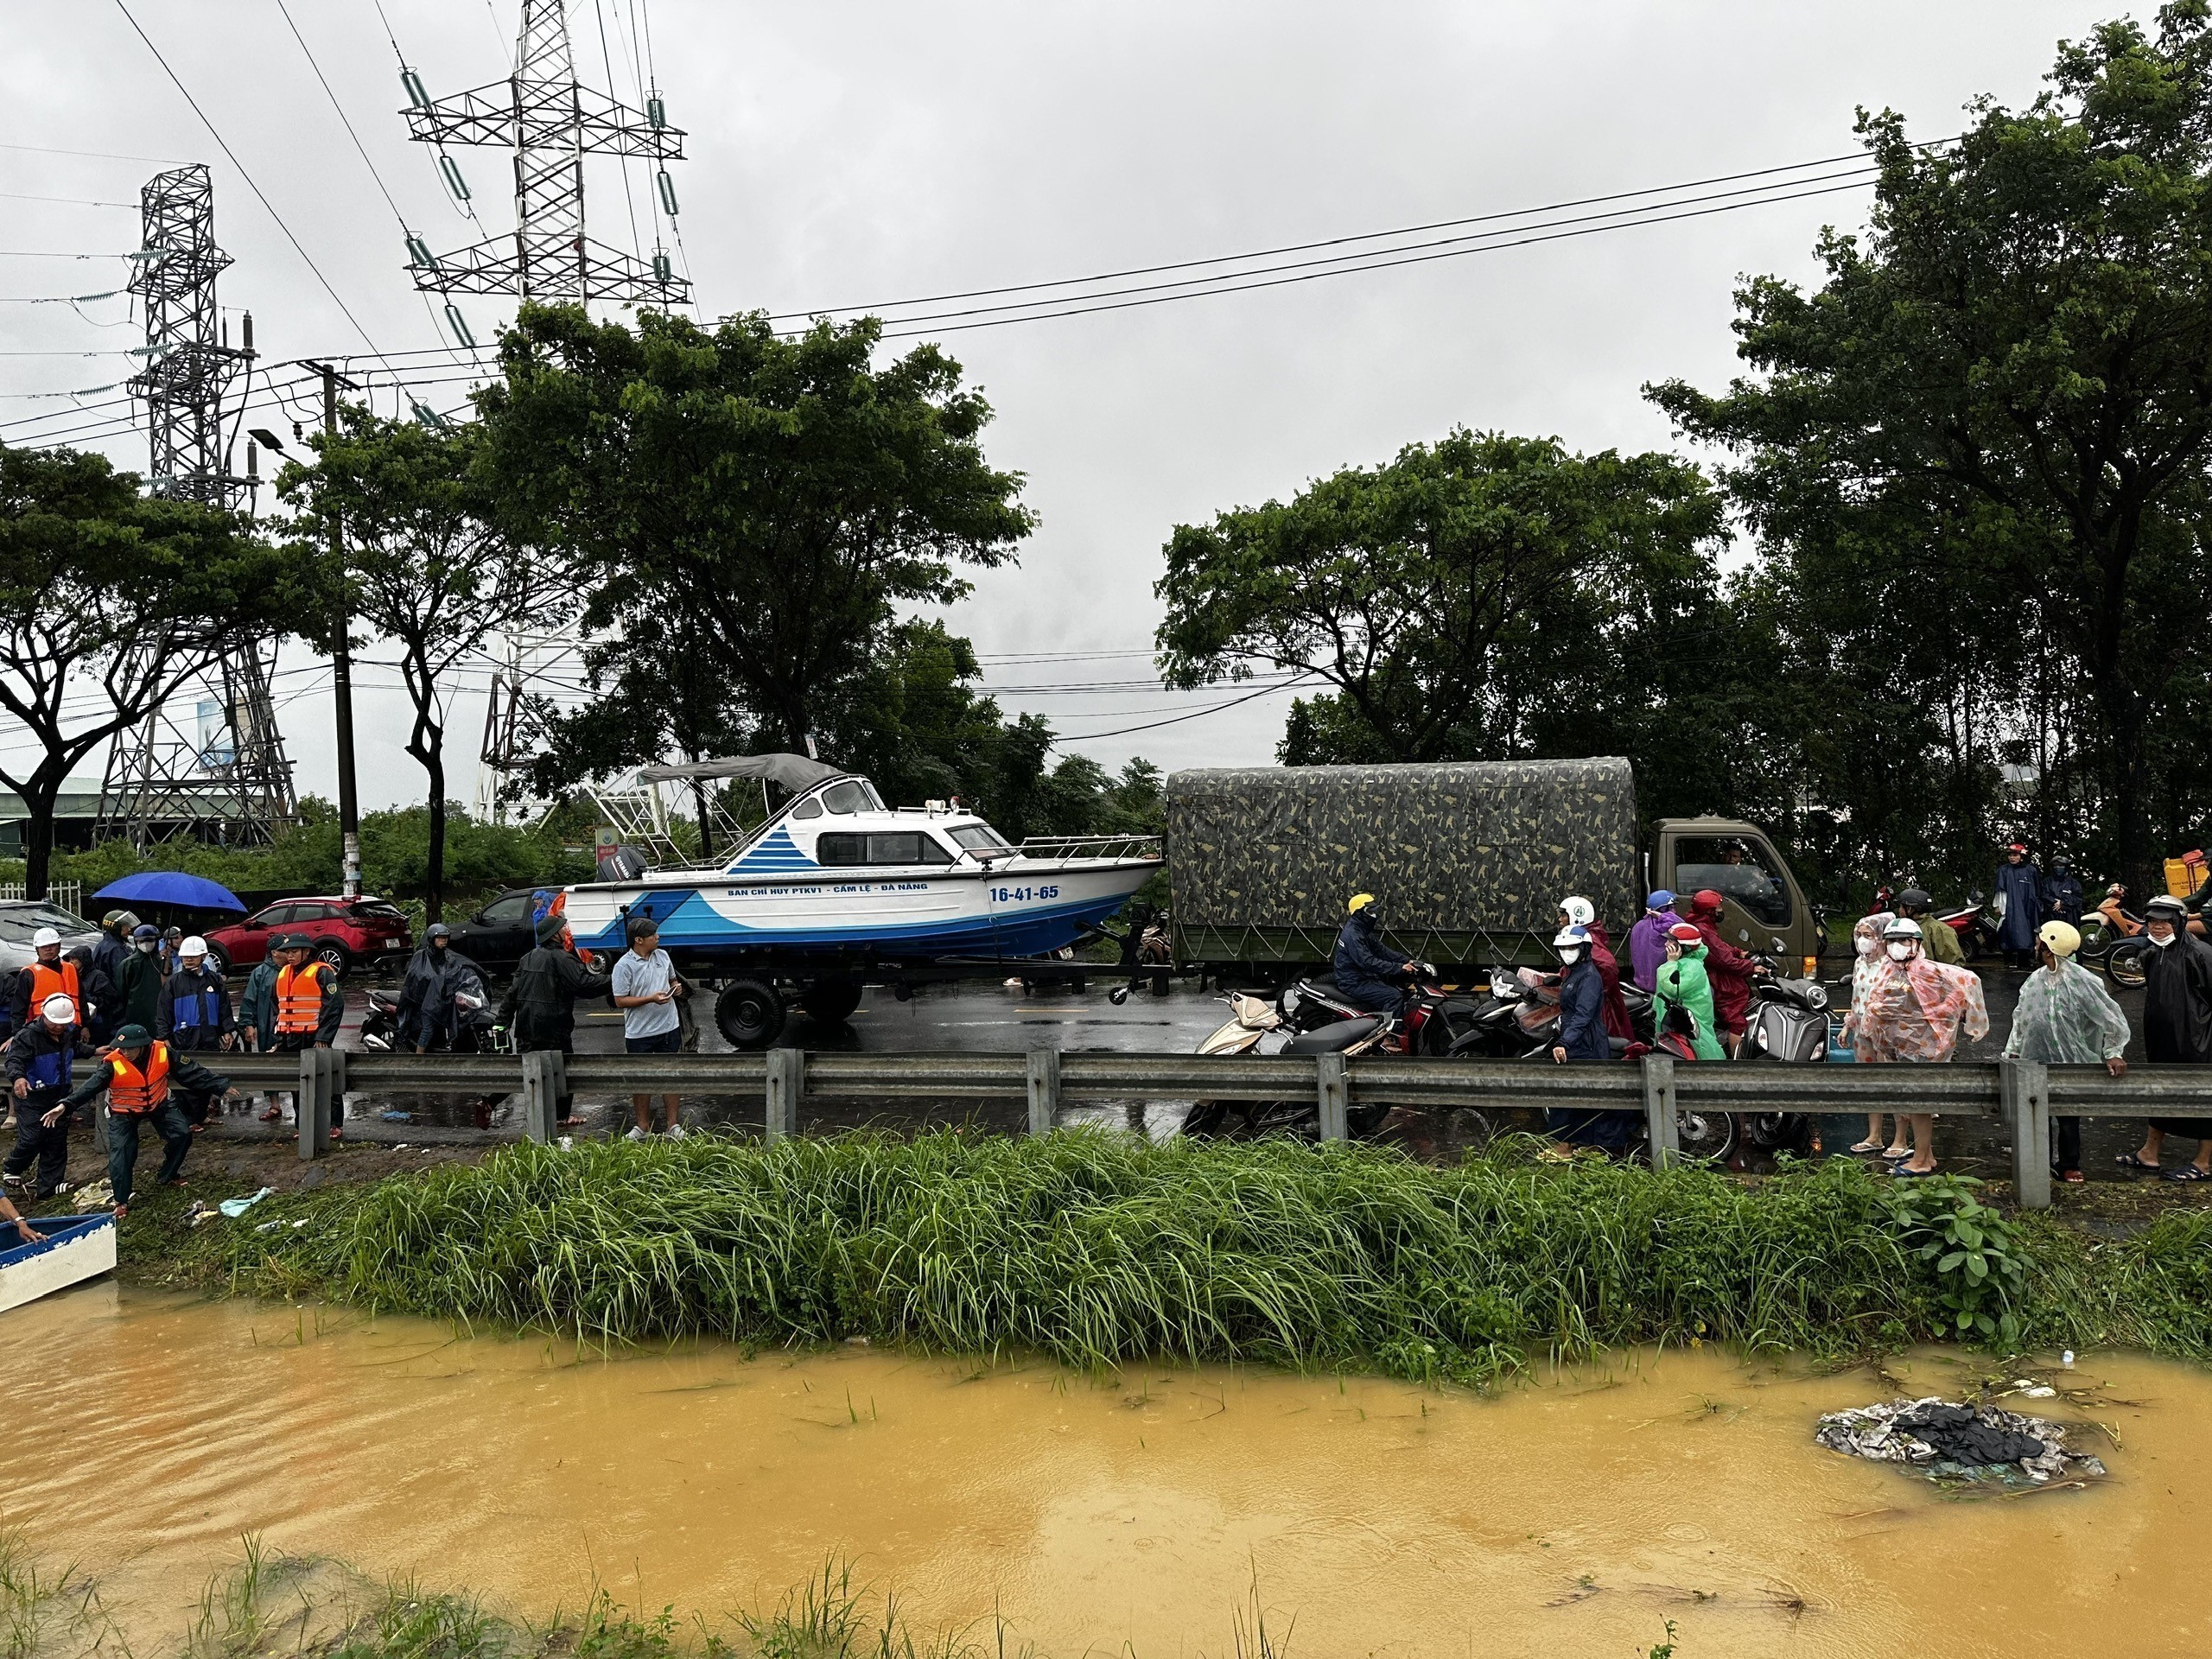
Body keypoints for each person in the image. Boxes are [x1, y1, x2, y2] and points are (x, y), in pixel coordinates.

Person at [1850, 918, 1990, 1176]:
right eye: (1892, 941)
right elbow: (1880, 1003)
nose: (1897, 947)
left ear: (1916, 944)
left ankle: (1921, 1161)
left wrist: (1945, 1014)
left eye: (1903, 941)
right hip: (1901, 1049)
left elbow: (1966, 983)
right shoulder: (1890, 971)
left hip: (1925, 1051)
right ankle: (1928, 1155)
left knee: (1919, 1105)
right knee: (1914, 1105)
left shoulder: (1929, 971)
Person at [58, 1023, 235, 1217]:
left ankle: (167, 1174)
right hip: (123, 1111)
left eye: (130, 1048)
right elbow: (88, 1088)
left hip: (159, 1103)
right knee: (121, 1154)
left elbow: (192, 1071)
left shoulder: (162, 1052)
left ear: (143, 1046)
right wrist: (66, 1105)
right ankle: (121, 1200)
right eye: (121, 1048)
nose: (125, 1052)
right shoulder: (111, 1064)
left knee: (182, 1134)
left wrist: (220, 1086)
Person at [2002, 920, 2127, 1185]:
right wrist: (2013, 1051)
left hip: (2072, 1061)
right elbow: (2021, 1019)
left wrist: (2113, 1051)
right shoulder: (2034, 981)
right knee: (2037, 1113)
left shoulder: (2084, 981)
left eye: (2040, 941)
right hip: (2035, 1059)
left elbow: (2110, 1017)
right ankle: (2041, 1164)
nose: (2036, 945)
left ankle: (2070, 1165)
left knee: (2069, 1115)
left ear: (2049, 949)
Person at [2119, 894, 2212, 1184]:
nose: (2158, 927)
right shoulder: (2150, 953)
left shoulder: (2201, 954)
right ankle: (2150, 1152)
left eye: (2165, 922)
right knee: (2158, 1092)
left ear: (2180, 922)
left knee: (2201, 1098)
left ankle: (2204, 1162)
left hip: (2198, 1041)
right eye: (2153, 921)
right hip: (2161, 1039)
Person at [500, 915, 614, 1129]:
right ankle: (561, 1117)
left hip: (526, 1027)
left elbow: (512, 993)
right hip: (554, 1028)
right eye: (564, 928)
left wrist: (502, 1021)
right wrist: (615, 978)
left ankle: (492, 1101)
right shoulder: (563, 959)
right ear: (555, 934)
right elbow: (583, 984)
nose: (568, 930)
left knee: (528, 1074)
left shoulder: (528, 958)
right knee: (563, 1073)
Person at [1542, 925, 1634, 1156]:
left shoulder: (1589, 976)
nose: (1567, 952)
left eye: (1572, 947)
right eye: (1563, 948)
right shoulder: (1574, 972)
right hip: (1576, 1037)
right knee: (1572, 1094)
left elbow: (1584, 1014)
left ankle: (1575, 1146)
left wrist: (1565, 1042)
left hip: (1586, 1041)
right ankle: (1575, 1143)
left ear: (1584, 948)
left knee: (1576, 1094)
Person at [3, 995, 92, 1201]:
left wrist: (94, 1050)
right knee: (33, 1136)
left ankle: (49, 1187)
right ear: (44, 1016)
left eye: (63, 1024)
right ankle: (13, 1166)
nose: (58, 1028)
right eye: (55, 1023)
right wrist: (18, 1078)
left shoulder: (68, 1033)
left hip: (59, 1093)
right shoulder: (28, 1036)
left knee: (56, 1140)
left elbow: (74, 1049)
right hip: (33, 1096)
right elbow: (14, 1060)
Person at [610, 917, 690, 1140]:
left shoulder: (663, 956)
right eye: (653, 935)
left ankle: (673, 1126)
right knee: (641, 1078)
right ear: (638, 940)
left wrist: (676, 988)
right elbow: (619, 1000)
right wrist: (650, 999)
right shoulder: (623, 966)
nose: (658, 937)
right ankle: (642, 1126)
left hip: (668, 1027)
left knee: (670, 1076)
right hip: (639, 1033)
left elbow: (672, 980)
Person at [1840, 912, 1910, 1159]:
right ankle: (1874, 1136)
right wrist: (1848, 1025)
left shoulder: (1894, 965)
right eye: (1858, 935)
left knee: (1893, 1083)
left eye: (1868, 936)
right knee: (1870, 1083)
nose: (1862, 941)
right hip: (1862, 1032)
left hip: (1888, 1033)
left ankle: (1900, 1139)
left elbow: (1902, 1001)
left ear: (1881, 937)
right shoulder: (1860, 962)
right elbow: (1856, 998)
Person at [260, 934, 345, 1137]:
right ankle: (303, 1125)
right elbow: (278, 1008)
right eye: (287, 952)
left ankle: (334, 1124)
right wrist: (279, 1040)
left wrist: (323, 1037)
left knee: (327, 1080)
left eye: (294, 952)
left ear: (306, 952)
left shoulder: (322, 973)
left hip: (314, 1038)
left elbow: (334, 1006)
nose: (289, 956)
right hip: (290, 1038)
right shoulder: (282, 974)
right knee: (298, 1085)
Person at [155, 936, 234, 1129]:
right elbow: (163, 1012)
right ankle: (190, 1119)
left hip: (209, 1037)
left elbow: (224, 1007)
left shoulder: (214, 980)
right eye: (185, 957)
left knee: (206, 1076)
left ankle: (200, 1116)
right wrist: (163, 1037)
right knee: (187, 1080)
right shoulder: (174, 982)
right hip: (183, 1038)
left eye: (193, 956)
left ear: (204, 956)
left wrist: (227, 1030)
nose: (189, 960)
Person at [1684, 889, 1762, 1052]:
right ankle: (1737, 1061)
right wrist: (1751, 967)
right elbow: (1725, 961)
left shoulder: (1703, 925)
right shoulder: (1703, 929)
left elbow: (1720, 948)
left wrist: (1738, 952)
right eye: (1718, 908)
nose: (1721, 911)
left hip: (1713, 974)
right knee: (1737, 1021)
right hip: (1718, 979)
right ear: (1709, 911)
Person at [396, 923, 483, 1052]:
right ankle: (418, 1056)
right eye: (440, 938)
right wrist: (435, 983)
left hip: (443, 999)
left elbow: (458, 968)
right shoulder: (421, 956)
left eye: (445, 938)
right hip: (425, 1002)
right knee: (428, 1029)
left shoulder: (448, 956)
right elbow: (416, 978)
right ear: (432, 939)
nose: (443, 941)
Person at [1651, 922, 1726, 1061]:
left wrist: (1670, 963)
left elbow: (1672, 988)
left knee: (1699, 1053)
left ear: (1684, 946)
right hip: (1675, 1022)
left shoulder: (1693, 967)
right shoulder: (1684, 962)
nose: (1666, 944)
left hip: (1689, 1025)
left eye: (1671, 941)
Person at [1560, 894, 1630, 1039]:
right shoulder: (1580, 938)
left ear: (1576, 916)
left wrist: (1590, 989)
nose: (1559, 919)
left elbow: (1608, 966)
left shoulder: (1586, 940)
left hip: (1598, 1010)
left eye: (1563, 915)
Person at [1332, 893, 1414, 1014]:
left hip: (1364, 977)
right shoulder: (1353, 935)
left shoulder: (1362, 930)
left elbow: (1381, 951)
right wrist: (1399, 968)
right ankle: (1393, 1031)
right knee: (1394, 996)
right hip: (1355, 982)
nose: (1374, 915)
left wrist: (1406, 960)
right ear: (1358, 913)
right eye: (1370, 911)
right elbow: (1367, 962)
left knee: (1401, 989)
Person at [9, 926, 82, 1027]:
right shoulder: (29, 973)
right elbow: (18, 1008)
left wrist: (85, 1026)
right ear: (37, 949)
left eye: (52, 945)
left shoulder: (71, 969)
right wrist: (18, 1034)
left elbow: (81, 999)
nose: (48, 949)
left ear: (59, 946)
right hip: (42, 1031)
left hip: (72, 1028)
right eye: (43, 946)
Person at [1626, 890, 1688, 992]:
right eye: (1672, 908)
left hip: (1641, 984)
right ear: (1663, 909)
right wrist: (1662, 916)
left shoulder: (1639, 926)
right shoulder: (1665, 927)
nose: (1675, 912)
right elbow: (1683, 926)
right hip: (1663, 985)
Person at [1994, 842, 2043, 969]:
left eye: (2015, 855)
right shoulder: (2003, 870)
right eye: (2010, 855)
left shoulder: (2030, 870)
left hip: (2027, 907)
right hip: (2010, 907)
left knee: (2026, 933)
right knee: (2008, 932)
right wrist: (1998, 906)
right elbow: (2000, 890)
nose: (2012, 858)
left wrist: (2036, 905)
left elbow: (2037, 890)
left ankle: (2024, 961)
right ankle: (2009, 960)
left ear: (2021, 856)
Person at [1893, 889, 1966, 967]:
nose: (1899, 910)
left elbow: (1955, 966)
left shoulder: (1940, 930)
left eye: (1901, 906)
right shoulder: (1901, 927)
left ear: (1909, 909)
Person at [117, 923, 165, 1033]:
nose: (146, 944)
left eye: (150, 940)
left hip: (159, 1012)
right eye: (141, 941)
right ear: (136, 941)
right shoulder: (128, 964)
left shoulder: (162, 962)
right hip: (135, 1013)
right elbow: (121, 991)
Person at [68, 945, 117, 1045]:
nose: (71, 962)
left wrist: (85, 998)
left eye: (74, 959)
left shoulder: (99, 976)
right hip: (79, 1022)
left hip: (98, 1024)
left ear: (83, 960)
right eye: (70, 959)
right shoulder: (72, 976)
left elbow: (109, 1000)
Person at [90, 910, 136, 989]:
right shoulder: (117, 949)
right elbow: (121, 978)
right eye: (125, 926)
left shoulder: (102, 944)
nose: (129, 929)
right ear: (116, 927)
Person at [2043, 855, 2086, 928]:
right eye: (2055, 866)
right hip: (2052, 915)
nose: (2058, 868)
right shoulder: (2047, 881)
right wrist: (2055, 903)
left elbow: (2078, 897)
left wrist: (2063, 903)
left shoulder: (2073, 883)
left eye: (2061, 865)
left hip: (2069, 916)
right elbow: (2043, 895)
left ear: (2066, 867)